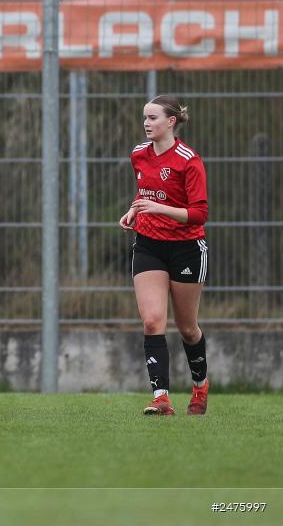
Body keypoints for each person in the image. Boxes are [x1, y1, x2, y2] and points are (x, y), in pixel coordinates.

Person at [119, 95, 209, 416]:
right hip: (148, 245)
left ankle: (200, 386)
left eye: (153, 118)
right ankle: (161, 398)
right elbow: (146, 192)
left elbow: (199, 214)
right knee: (152, 320)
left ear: (171, 122)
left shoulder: (189, 160)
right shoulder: (138, 154)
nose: (146, 123)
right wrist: (134, 210)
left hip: (186, 248)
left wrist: (159, 208)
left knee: (187, 328)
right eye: (144, 117)